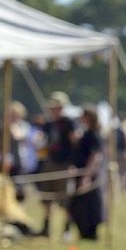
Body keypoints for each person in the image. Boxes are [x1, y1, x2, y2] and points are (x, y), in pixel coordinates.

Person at [36, 91, 76, 238]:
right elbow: (42, 142)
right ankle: (46, 228)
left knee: (64, 199)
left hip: (64, 164)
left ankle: (66, 230)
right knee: (47, 197)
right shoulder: (48, 124)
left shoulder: (69, 123)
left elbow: (74, 144)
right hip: (49, 163)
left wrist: (72, 163)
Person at [66, 105, 105, 240]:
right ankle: (83, 232)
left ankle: (91, 233)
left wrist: (86, 176)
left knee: (90, 205)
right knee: (76, 205)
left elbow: (96, 156)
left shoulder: (94, 135)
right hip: (80, 174)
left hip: (88, 175)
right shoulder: (85, 134)